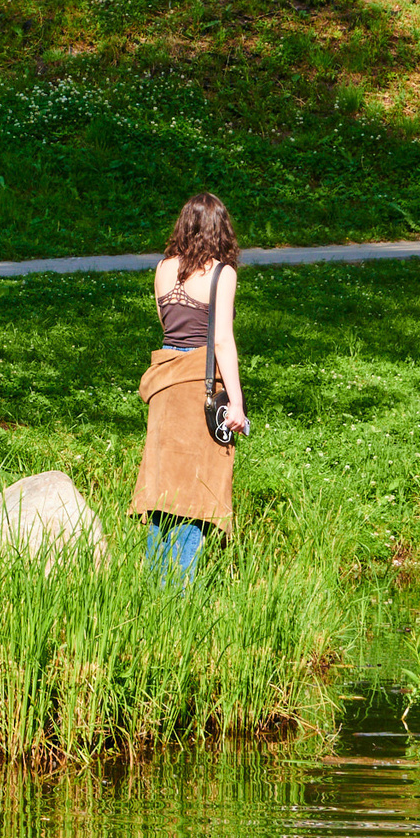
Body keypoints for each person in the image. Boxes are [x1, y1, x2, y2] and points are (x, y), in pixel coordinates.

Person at [129, 192, 249, 574]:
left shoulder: (163, 268)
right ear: (220, 231)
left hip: (164, 383)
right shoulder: (221, 274)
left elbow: (168, 329)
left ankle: (152, 589)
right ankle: (180, 596)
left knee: (163, 491)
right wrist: (238, 403)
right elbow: (220, 340)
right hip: (197, 384)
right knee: (196, 492)